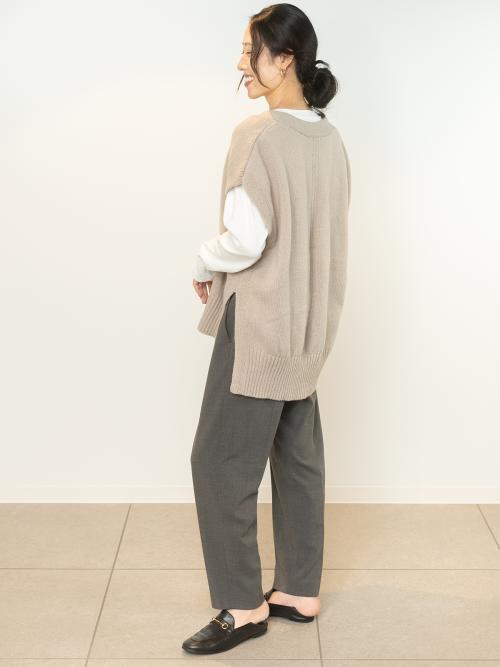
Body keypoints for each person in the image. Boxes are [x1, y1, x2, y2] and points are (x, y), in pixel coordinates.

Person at [183, 2, 351, 655]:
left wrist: (204, 259)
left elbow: (245, 240)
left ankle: (242, 605)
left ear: (285, 58)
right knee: (298, 457)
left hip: (260, 323)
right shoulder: (330, 139)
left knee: (219, 462)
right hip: (309, 327)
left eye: (249, 50)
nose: (240, 63)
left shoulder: (257, 134)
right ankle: (299, 592)